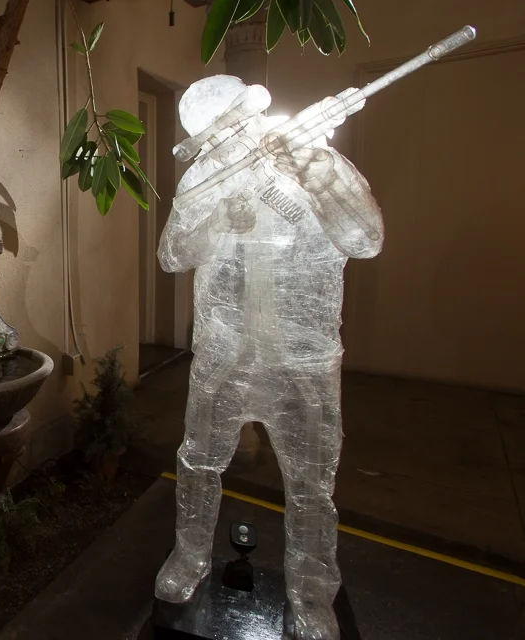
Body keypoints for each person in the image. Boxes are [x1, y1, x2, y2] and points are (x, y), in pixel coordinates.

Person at [155, 75, 384, 640]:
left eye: (231, 129)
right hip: (224, 352)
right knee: (198, 460)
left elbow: (366, 237)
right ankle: (190, 557)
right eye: (214, 138)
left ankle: (311, 590)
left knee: (310, 481)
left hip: (301, 359)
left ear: (252, 113)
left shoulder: (311, 158)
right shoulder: (206, 176)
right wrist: (213, 214)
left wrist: (321, 174)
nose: (227, 144)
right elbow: (172, 254)